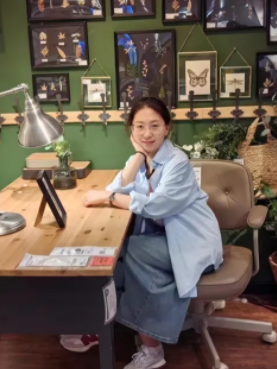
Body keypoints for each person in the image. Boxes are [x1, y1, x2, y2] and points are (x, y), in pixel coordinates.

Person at [60, 97, 224, 369]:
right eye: (139, 127)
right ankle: (100, 325)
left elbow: (156, 205)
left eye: (155, 126)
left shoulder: (178, 162)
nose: (147, 133)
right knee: (115, 258)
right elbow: (117, 187)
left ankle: (152, 350)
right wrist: (137, 157)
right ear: (131, 130)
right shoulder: (140, 159)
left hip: (193, 241)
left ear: (167, 128)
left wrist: (109, 197)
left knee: (132, 250)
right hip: (163, 238)